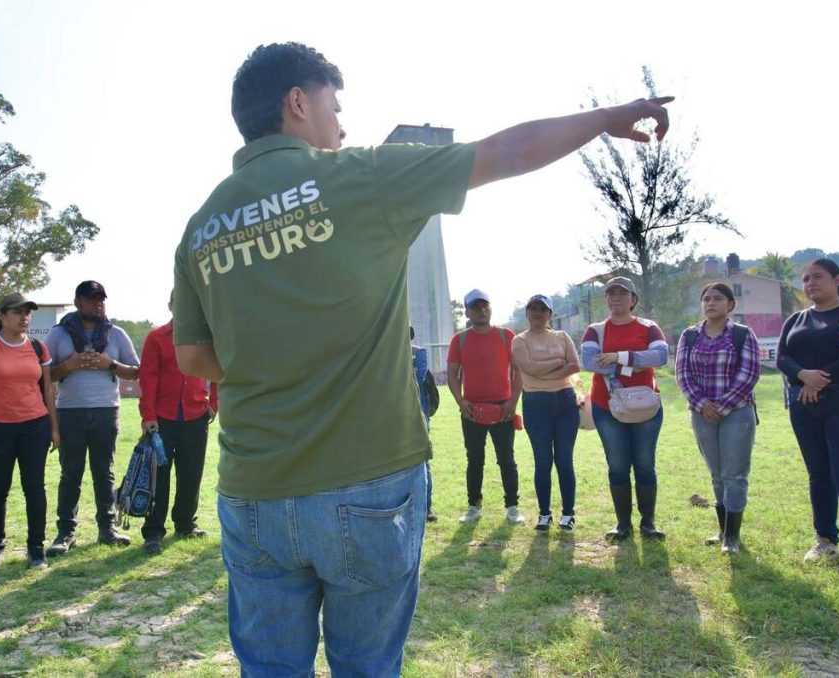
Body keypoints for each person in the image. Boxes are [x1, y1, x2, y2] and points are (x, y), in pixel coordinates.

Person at [172, 41, 672, 675]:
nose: (343, 123)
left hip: (253, 491)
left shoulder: (202, 224)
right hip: (367, 479)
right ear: (297, 102)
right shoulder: (358, 175)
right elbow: (506, 151)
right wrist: (605, 117)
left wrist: (271, 361)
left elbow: (193, 354)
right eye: (333, 104)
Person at [777, 258, 839, 575]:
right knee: (819, 474)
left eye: (817, 277)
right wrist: (803, 375)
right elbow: (782, 357)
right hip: (804, 402)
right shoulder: (797, 319)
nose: (810, 283)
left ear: (837, 279)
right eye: (805, 279)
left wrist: (819, 378)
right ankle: (826, 540)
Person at [0, 293, 60, 570]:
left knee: (35, 488)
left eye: (27, 312)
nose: (24, 318)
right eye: (17, 312)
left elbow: (47, 391)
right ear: (2, 316)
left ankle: (36, 549)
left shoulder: (38, 348)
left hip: (34, 426)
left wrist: (54, 428)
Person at [45, 280, 140, 555]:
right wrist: (69, 365)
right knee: (70, 473)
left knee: (104, 471)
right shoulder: (58, 335)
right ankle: (65, 533)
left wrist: (108, 364)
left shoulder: (116, 334)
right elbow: (45, 376)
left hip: (105, 410)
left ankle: (107, 529)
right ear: (78, 302)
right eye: (91, 299)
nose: (98, 303)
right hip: (69, 411)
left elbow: (135, 371)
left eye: (101, 299)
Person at [581, 276, 669, 542]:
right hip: (606, 406)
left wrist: (619, 357)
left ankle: (648, 523)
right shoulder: (594, 330)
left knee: (644, 464)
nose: (616, 297)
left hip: (646, 405)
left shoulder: (649, 326)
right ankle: (622, 524)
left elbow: (661, 356)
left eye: (623, 293)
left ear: (633, 299)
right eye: (611, 293)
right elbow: (591, 362)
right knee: (617, 465)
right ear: (605, 298)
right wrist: (636, 364)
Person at [675, 282, 760, 554]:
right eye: (706, 299)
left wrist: (721, 406)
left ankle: (732, 539)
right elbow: (682, 374)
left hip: (737, 413)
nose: (711, 303)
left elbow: (749, 374)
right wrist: (702, 404)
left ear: (730, 305)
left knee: (734, 474)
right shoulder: (689, 336)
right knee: (716, 475)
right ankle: (723, 530)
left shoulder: (743, 335)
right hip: (702, 415)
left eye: (718, 298)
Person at [138, 294, 219, 554]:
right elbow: (148, 377)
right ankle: (153, 531)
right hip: (163, 418)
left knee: (191, 473)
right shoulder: (157, 337)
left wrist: (213, 402)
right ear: (171, 306)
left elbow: (216, 369)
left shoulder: (206, 337)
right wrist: (148, 415)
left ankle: (185, 523)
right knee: (158, 476)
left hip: (196, 415)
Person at [448, 289, 525, 525]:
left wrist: (512, 402)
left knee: (507, 459)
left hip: (503, 408)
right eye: (476, 307)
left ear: (490, 309)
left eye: (485, 306)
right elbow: (452, 374)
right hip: (472, 409)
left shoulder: (506, 335)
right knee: (474, 459)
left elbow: (518, 370)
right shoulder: (459, 339)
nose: (481, 310)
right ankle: (474, 506)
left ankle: (512, 507)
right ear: (468, 311)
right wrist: (462, 403)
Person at [511, 294, 580, 531]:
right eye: (533, 309)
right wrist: (557, 361)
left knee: (564, 460)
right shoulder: (519, 341)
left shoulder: (561, 336)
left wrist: (543, 373)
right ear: (527, 313)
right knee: (543, 461)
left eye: (543, 309)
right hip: (535, 404)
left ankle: (568, 514)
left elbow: (575, 365)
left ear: (550, 314)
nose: (538, 313)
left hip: (565, 403)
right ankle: (544, 513)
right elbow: (528, 368)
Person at [410, 325, 437, 522]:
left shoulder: (419, 353)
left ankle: (427, 507)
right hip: (391, 415)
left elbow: (416, 378)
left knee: (422, 460)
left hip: (418, 412)